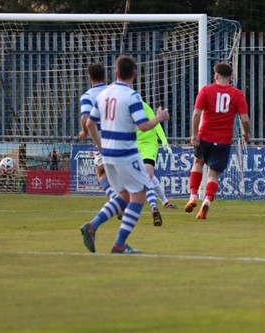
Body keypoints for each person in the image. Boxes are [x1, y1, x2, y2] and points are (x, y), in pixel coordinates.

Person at [81, 55, 169, 254]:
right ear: (135, 74)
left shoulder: (103, 95)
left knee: (123, 196)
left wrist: (100, 146)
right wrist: (159, 117)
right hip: (126, 153)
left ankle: (92, 226)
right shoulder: (132, 97)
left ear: (115, 73)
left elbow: (89, 124)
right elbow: (144, 125)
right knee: (139, 196)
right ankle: (119, 244)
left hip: (108, 154)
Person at [184, 62, 250, 220]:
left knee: (198, 163)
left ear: (216, 76)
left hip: (205, 136)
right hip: (223, 141)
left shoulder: (206, 90)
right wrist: (245, 133)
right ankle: (206, 200)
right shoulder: (237, 94)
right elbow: (245, 119)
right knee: (213, 175)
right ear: (231, 78)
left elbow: (196, 114)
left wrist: (194, 134)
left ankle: (193, 195)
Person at [78, 62, 118, 201]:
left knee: (100, 172)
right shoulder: (114, 91)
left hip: (104, 140)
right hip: (123, 138)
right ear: (104, 75)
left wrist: (84, 132)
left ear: (89, 78)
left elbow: (85, 118)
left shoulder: (87, 96)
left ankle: (115, 199)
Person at [138, 101, 177, 227]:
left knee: (147, 174)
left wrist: (164, 141)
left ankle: (154, 207)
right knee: (143, 176)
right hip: (132, 144)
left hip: (148, 144)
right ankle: (165, 202)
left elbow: (156, 124)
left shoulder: (142, 105)